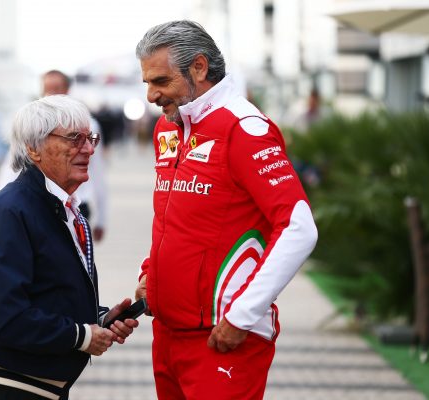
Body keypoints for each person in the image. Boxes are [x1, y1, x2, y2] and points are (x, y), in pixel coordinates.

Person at [134, 20, 318, 399]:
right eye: (147, 83)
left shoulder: (244, 127)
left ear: (199, 68)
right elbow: (169, 219)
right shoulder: (167, 130)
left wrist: (243, 314)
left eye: (161, 81)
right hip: (168, 333)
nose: (152, 95)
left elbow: (299, 227)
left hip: (223, 337)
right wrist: (151, 276)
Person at [0, 95, 138, 400]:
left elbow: (47, 292)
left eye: (90, 138)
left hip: (38, 385)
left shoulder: (63, 207)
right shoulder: (11, 212)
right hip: (6, 385)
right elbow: (6, 316)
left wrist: (98, 320)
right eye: (74, 138)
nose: (89, 149)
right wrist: (82, 336)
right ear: (33, 148)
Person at [0, 70, 108, 241]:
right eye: (46, 89)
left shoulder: (88, 124)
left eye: (56, 88)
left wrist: (102, 218)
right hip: (42, 204)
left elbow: (98, 173)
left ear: (68, 90)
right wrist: (0, 204)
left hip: (77, 205)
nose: (87, 149)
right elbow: (12, 165)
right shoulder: (32, 125)